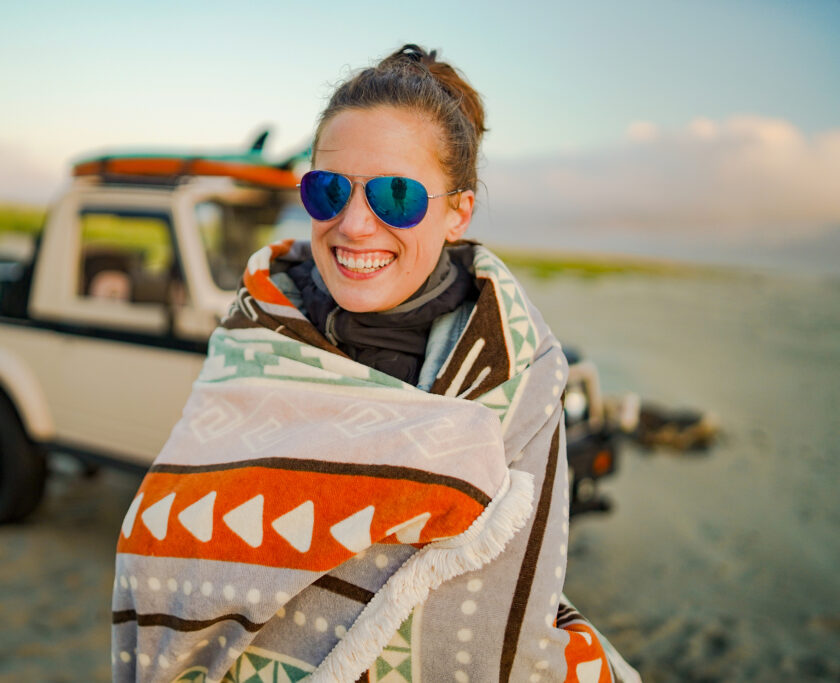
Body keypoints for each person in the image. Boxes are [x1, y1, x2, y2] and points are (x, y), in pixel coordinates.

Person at [113, 45, 641, 683]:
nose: (355, 225)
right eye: (329, 189)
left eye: (395, 195)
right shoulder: (254, 333)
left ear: (457, 214)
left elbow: (499, 618)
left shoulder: (516, 374)